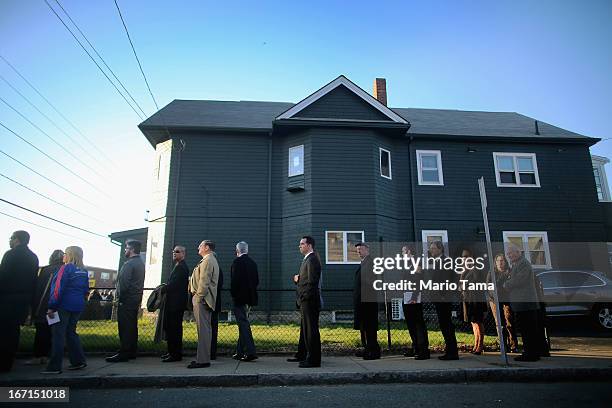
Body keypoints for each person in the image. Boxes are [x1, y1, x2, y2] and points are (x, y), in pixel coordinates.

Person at [42, 246, 89, 374]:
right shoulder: (84, 271)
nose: (63, 256)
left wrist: (51, 306)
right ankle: (78, 360)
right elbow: (86, 290)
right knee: (71, 333)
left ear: (69, 255)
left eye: (65, 253)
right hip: (78, 306)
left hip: (63, 305)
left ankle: (54, 366)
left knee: (58, 335)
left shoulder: (65, 268)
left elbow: (58, 289)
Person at [0, 230, 39, 372]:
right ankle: (8, 361)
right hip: (23, 299)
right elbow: (34, 280)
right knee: (13, 331)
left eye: (11, 238)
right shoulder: (33, 257)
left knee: (3, 331)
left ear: (17, 239)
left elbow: (3, 276)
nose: (9, 241)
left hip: (6, 298)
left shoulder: (10, 255)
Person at [106, 240, 145, 363]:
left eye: (126, 248)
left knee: (125, 327)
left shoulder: (129, 264)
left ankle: (124, 352)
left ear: (132, 249)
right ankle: (131, 351)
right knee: (132, 326)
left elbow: (124, 284)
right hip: (135, 299)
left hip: (126, 300)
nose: (125, 250)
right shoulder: (140, 263)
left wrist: (120, 299)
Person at [503, 245, 542, 362]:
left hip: (526, 303)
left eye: (511, 253)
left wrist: (506, 284)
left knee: (528, 330)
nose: (509, 255)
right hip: (521, 303)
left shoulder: (523, 264)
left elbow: (520, 280)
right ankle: (530, 352)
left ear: (518, 252)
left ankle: (531, 354)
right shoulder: (516, 264)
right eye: (508, 254)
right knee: (525, 329)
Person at [26, 249, 65, 365]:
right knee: (52, 330)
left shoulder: (46, 270)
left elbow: (38, 289)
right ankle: (48, 356)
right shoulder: (64, 270)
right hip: (57, 306)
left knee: (41, 330)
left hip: (44, 305)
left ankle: (38, 356)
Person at [188, 240, 219, 369]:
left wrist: (198, 297)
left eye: (200, 246)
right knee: (204, 330)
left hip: (203, 300)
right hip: (204, 299)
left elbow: (204, 281)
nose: (198, 248)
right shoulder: (209, 260)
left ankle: (203, 360)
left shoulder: (208, 260)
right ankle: (202, 358)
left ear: (207, 247)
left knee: (204, 330)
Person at [426, 241, 459, 360]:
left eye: (433, 248)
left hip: (443, 298)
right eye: (430, 249)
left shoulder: (445, 261)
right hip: (439, 297)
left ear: (440, 249)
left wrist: (443, 295)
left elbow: (446, 280)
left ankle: (452, 352)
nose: (431, 251)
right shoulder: (437, 261)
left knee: (447, 325)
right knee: (444, 325)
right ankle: (449, 350)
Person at [292, 236, 322, 368]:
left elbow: (312, 282)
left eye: (302, 244)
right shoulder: (307, 259)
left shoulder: (312, 259)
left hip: (309, 301)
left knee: (311, 331)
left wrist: (304, 296)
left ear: (309, 245)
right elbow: (306, 280)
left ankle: (314, 360)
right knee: (305, 330)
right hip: (305, 300)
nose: (300, 246)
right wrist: (298, 280)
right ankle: (302, 355)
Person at [230, 241, 259, 362]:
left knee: (243, 324)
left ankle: (250, 351)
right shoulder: (253, 263)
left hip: (239, 298)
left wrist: (234, 294)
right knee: (243, 323)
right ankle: (239, 351)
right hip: (250, 298)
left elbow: (234, 281)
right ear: (247, 250)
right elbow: (257, 281)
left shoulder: (237, 262)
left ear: (237, 251)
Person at [160, 246, 189, 362]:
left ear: (183, 254)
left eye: (177, 252)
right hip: (173, 303)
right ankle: (171, 352)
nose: (174, 253)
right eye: (173, 251)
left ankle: (175, 354)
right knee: (171, 329)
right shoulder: (177, 266)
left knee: (175, 329)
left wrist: (163, 288)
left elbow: (174, 285)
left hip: (176, 304)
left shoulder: (181, 267)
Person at [353, 242, 381, 360]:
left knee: (370, 327)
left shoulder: (371, 262)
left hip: (368, 301)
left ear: (367, 250)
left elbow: (372, 280)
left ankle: (374, 351)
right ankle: (367, 349)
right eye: (357, 250)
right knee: (363, 326)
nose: (358, 251)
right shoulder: (363, 262)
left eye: (360, 249)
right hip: (362, 300)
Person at [401, 246, 430, 360]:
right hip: (406, 295)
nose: (402, 253)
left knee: (418, 323)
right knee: (411, 323)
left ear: (409, 251)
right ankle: (416, 347)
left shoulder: (416, 262)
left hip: (414, 296)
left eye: (403, 251)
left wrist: (414, 296)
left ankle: (423, 350)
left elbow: (418, 280)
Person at [486, 253, 519, 353]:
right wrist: (494, 294)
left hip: (507, 299)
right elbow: (488, 286)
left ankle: (513, 345)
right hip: (495, 300)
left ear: (505, 262)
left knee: (509, 321)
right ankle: (503, 345)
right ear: (495, 263)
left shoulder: (510, 272)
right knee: (499, 323)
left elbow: (513, 285)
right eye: (498, 261)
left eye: (502, 261)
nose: (500, 263)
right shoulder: (491, 273)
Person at [459, 248, 486, 355]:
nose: (464, 259)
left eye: (466, 257)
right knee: (473, 323)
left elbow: (470, 284)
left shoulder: (476, 270)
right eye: (463, 257)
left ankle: (480, 345)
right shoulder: (466, 270)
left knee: (478, 322)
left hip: (475, 299)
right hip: (468, 300)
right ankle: (476, 344)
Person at [210, 251, 223, 360]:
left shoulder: (216, 270)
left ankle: (211, 352)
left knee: (212, 329)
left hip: (212, 303)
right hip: (214, 302)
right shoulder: (218, 270)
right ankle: (211, 352)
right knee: (212, 328)